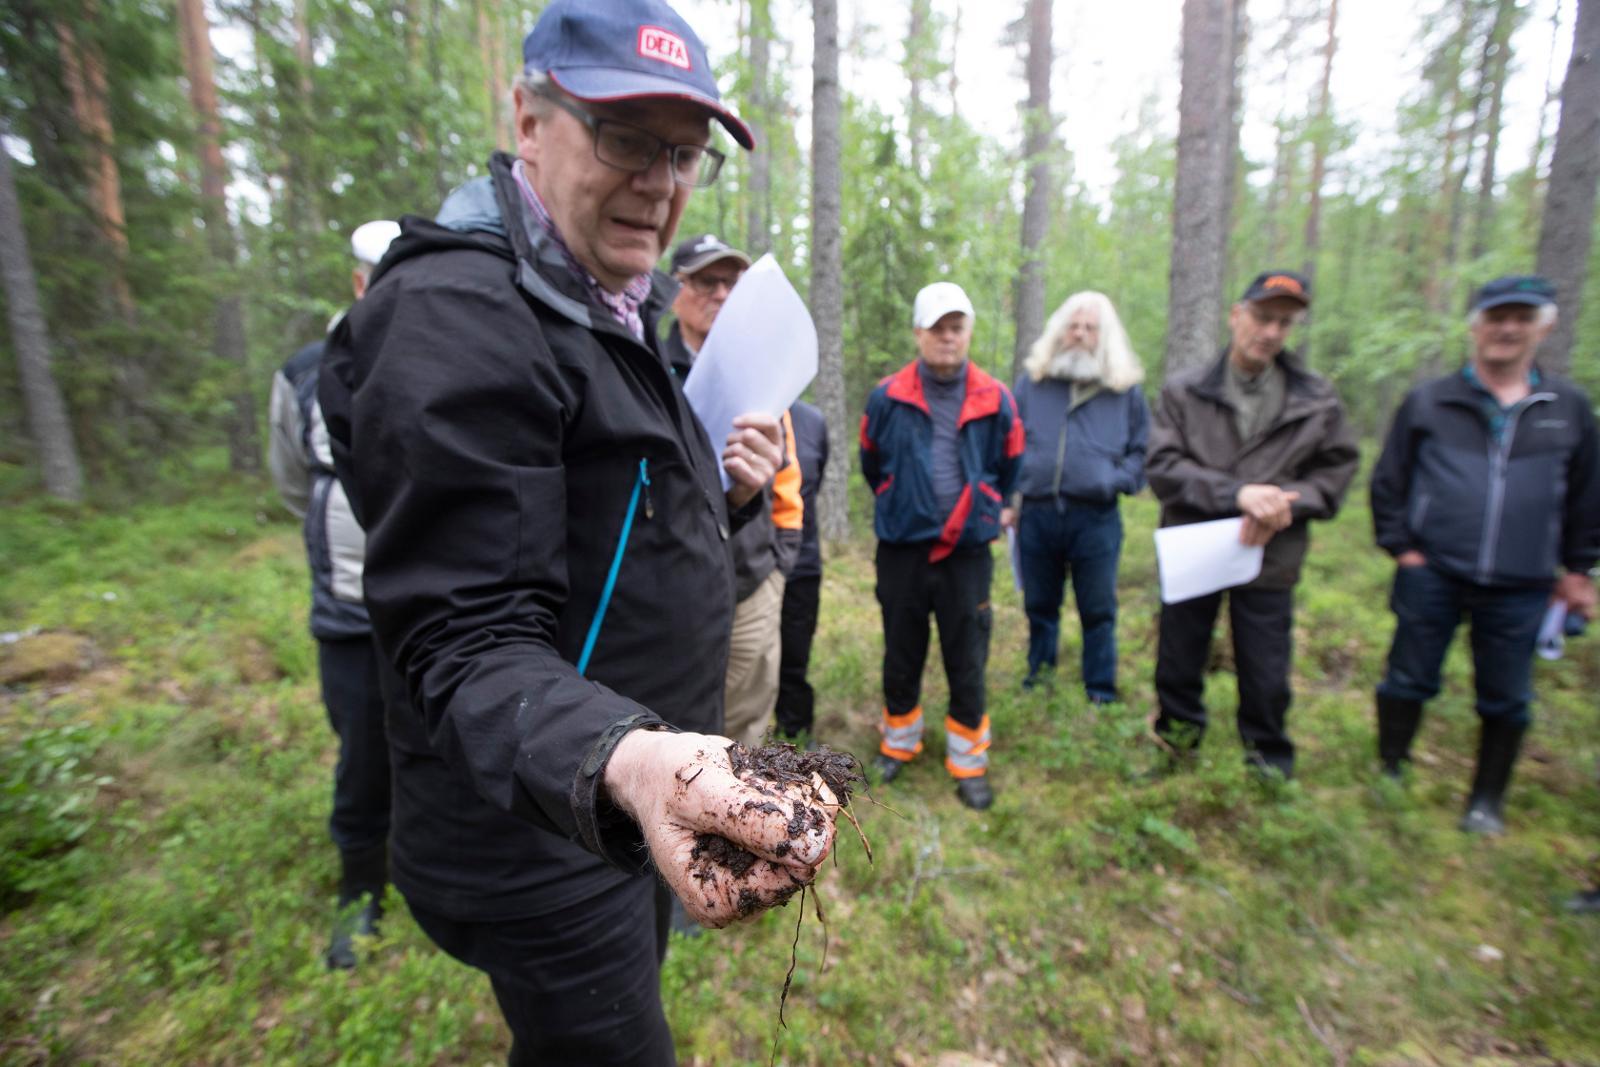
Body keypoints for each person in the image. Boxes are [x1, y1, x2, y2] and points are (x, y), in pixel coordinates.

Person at [318, 3, 838, 1062]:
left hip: (613, 802)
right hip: (541, 831)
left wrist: (730, 497)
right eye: (626, 138)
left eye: (683, 151)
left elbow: (612, 525)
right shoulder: (460, 319)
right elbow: (463, 637)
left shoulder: (601, 296)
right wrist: (627, 759)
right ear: (527, 119)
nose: (660, 179)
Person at [1370, 274, 1599, 835]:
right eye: (1496, 317)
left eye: (1521, 318)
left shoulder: (1566, 408)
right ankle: (1390, 773)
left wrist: (1578, 570)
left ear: (1542, 328)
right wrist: (1402, 549)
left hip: (1524, 582)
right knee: (1406, 678)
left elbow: (1588, 496)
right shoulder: (1431, 401)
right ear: (1475, 327)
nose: (1507, 329)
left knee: (1506, 697)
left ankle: (1486, 801)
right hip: (1433, 571)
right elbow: (1389, 481)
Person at [1147, 270, 1358, 780]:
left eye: (1284, 323)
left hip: (1270, 554)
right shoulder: (1185, 391)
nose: (1270, 332)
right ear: (1236, 316)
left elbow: (1335, 472)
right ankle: (1176, 750)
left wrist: (1287, 501)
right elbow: (1162, 466)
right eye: (1262, 317)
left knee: (1265, 667)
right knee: (1179, 660)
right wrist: (1235, 493)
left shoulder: (1316, 398)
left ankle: (1268, 766)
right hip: (1195, 547)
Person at [266, 218, 399, 970]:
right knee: (362, 749)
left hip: (437, 609)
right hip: (349, 610)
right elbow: (293, 479)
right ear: (358, 280)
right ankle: (361, 889)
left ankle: (436, 861)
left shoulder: (444, 357)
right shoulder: (307, 370)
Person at [860, 281, 1024, 811]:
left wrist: (987, 502)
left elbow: (1011, 461)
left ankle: (968, 761)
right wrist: (897, 497)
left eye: (956, 327)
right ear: (918, 333)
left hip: (968, 553)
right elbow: (870, 459)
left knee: (967, 654)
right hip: (902, 549)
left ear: (968, 331)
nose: (947, 337)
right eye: (937, 327)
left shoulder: (995, 397)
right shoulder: (887, 396)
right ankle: (898, 744)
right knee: (901, 650)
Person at [661, 233, 803, 748]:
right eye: (705, 281)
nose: (721, 294)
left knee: (745, 728)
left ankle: (741, 826)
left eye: (731, 283)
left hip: (751, 581)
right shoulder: (648, 365)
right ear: (675, 289)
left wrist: (780, 560)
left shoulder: (761, 369)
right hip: (672, 585)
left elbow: (787, 475)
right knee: (678, 729)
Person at [1005, 291, 1149, 703]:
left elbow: (1142, 451)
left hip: (1096, 516)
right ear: (1060, 331)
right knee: (1040, 604)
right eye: (1074, 326)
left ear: (1104, 336)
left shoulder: (1124, 390)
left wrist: (1114, 480)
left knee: (1098, 608)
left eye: (1090, 328)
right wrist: (1008, 497)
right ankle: (1039, 679)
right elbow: (1010, 442)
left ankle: (1100, 689)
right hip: (1037, 513)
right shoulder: (1033, 383)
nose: (1081, 334)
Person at [775, 399, 829, 744]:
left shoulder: (812, 420)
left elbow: (814, 482)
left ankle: (793, 731)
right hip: (742, 563)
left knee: (795, 653)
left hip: (802, 560)